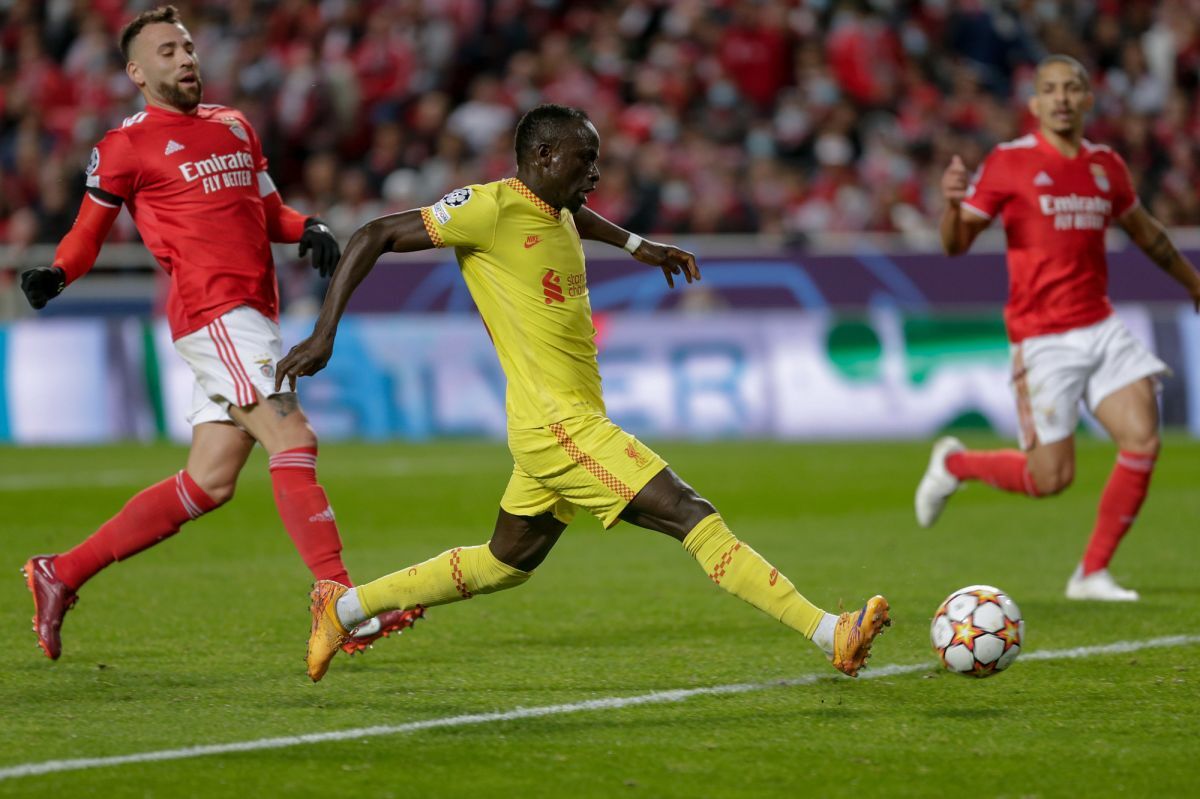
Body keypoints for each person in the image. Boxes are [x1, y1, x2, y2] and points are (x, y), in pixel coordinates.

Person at [276, 103, 890, 683]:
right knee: (690, 514)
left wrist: (637, 246)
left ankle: (344, 607)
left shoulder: (557, 207)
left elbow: (578, 217)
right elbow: (375, 234)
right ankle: (827, 631)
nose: (595, 173)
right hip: (560, 426)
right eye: (585, 160)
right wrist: (324, 333)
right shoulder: (488, 209)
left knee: (504, 563)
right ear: (543, 156)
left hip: (554, 422)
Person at [18, 5, 421, 660]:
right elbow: (88, 233)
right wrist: (58, 272)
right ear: (136, 73)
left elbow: (267, 210)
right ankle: (339, 599)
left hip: (254, 312)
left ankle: (60, 572)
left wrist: (309, 226)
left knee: (207, 482)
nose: (185, 58)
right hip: (214, 312)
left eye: (188, 47)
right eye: (168, 51)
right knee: (293, 436)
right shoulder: (124, 146)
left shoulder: (234, 124)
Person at [916, 55, 1200, 600]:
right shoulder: (1009, 162)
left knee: (1142, 437)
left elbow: (1147, 234)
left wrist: (1193, 282)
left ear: (1088, 98)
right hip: (1043, 337)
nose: (1062, 98)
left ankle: (1091, 573)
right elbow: (955, 245)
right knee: (1050, 478)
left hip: (1101, 324)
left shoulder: (1106, 166)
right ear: (1035, 103)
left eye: (1072, 88)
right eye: (1050, 89)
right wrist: (951, 206)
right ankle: (955, 463)